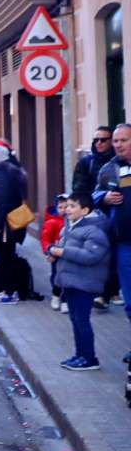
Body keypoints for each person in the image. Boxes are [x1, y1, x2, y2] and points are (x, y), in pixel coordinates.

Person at [49, 192, 111, 371]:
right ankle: (80, 355)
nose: (67, 209)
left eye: (72, 206)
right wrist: (53, 252)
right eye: (67, 206)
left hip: (85, 283)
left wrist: (62, 253)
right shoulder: (70, 226)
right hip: (70, 281)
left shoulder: (95, 230)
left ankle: (90, 358)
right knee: (75, 319)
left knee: (82, 320)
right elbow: (62, 245)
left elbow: (92, 256)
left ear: (85, 210)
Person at [94, 124, 131, 357]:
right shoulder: (109, 169)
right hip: (124, 244)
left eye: (123, 140)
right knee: (130, 302)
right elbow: (93, 195)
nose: (118, 145)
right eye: (115, 141)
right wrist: (104, 197)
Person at [0, 140, 28, 305]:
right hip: (7, 224)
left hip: (4, 226)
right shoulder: (11, 173)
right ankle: (6, 289)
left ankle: (9, 291)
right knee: (6, 256)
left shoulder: (1, 175)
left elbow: (1, 204)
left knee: (5, 258)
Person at [43, 193, 68, 311]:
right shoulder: (52, 221)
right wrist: (49, 252)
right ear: (56, 208)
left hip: (68, 254)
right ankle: (56, 296)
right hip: (56, 254)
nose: (63, 210)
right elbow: (45, 239)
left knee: (67, 277)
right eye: (60, 207)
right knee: (56, 276)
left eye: (66, 207)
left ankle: (65, 300)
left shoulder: (72, 221)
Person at [74, 126, 115, 197]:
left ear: (111, 141)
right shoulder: (86, 162)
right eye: (96, 140)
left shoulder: (119, 159)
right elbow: (79, 190)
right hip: (93, 204)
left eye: (103, 140)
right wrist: (101, 198)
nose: (99, 143)